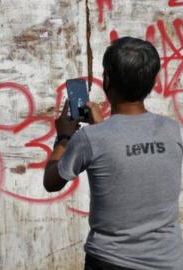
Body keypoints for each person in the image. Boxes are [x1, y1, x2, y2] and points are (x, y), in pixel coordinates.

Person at [43, 36, 183, 270]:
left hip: (110, 261)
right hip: (168, 261)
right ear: (152, 81)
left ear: (107, 79)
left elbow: (52, 181)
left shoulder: (91, 139)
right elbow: (131, 157)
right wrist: (102, 127)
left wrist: (64, 138)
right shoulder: (172, 130)